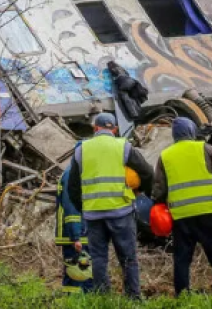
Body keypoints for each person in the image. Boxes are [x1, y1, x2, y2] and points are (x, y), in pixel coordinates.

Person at [67, 113, 153, 298]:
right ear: (114, 129)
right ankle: (133, 298)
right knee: (129, 258)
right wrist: (140, 193)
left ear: (95, 128)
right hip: (121, 212)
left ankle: (103, 298)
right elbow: (147, 172)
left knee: (98, 258)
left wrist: (84, 207)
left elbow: (72, 186)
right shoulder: (123, 146)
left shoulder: (82, 150)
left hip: (93, 214)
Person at [152, 117, 212, 296]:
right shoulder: (206, 149)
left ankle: (182, 297)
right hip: (210, 214)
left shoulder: (165, 156)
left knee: (182, 261)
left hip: (181, 217)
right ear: (192, 131)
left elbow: (158, 190)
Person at [55, 152, 92, 293]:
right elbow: (72, 208)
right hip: (76, 234)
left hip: (78, 233)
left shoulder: (75, 172)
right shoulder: (73, 175)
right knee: (78, 275)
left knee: (83, 274)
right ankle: (76, 303)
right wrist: (75, 236)